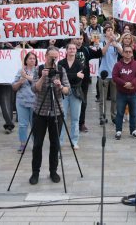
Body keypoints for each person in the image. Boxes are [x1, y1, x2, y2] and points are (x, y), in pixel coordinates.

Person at [29, 47, 69, 185]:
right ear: (45, 56)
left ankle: (53, 171)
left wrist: (60, 86)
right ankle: (35, 172)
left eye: (55, 58)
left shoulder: (61, 70)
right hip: (40, 112)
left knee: (55, 144)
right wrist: (43, 77)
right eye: (50, 57)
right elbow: (35, 89)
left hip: (56, 112)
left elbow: (67, 90)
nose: (53, 60)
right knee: (37, 144)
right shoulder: (38, 69)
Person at [112, 42, 136, 139]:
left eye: (130, 52)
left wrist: (132, 83)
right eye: (126, 52)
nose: (128, 53)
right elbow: (115, 76)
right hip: (121, 93)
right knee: (120, 113)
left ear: (132, 53)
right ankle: (118, 131)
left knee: (133, 113)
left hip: (134, 93)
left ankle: (133, 130)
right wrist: (124, 84)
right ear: (123, 53)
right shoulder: (117, 65)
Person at [59, 42, 85, 148]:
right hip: (63, 92)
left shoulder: (79, 63)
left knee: (75, 118)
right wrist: (74, 75)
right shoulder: (61, 63)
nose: (72, 50)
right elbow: (60, 77)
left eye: (74, 49)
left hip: (75, 92)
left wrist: (69, 77)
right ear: (66, 50)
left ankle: (74, 141)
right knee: (62, 117)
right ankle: (59, 141)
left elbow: (80, 78)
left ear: (76, 50)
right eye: (70, 48)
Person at [12, 51, 38, 152]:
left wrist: (27, 77)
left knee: (34, 124)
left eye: (34, 59)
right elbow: (13, 87)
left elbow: (38, 82)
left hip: (35, 102)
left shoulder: (38, 70)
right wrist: (20, 81)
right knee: (23, 124)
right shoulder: (20, 71)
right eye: (30, 58)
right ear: (26, 60)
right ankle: (23, 143)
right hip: (22, 101)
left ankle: (36, 143)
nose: (32, 60)